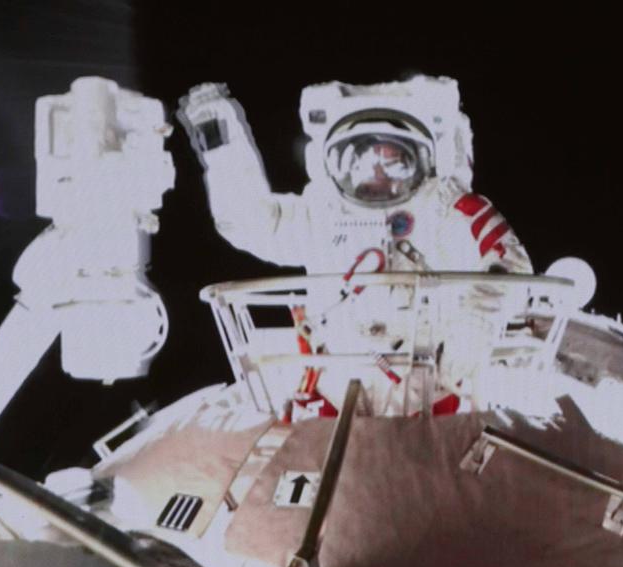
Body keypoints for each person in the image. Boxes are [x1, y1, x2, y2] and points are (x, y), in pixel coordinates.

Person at [179, 76, 532, 417]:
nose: (377, 170)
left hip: (429, 386)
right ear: (338, 161)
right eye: (362, 158)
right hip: (336, 384)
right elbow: (248, 221)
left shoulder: (444, 206)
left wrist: (474, 326)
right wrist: (221, 140)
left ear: (419, 157)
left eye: (393, 160)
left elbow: (509, 261)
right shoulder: (321, 211)